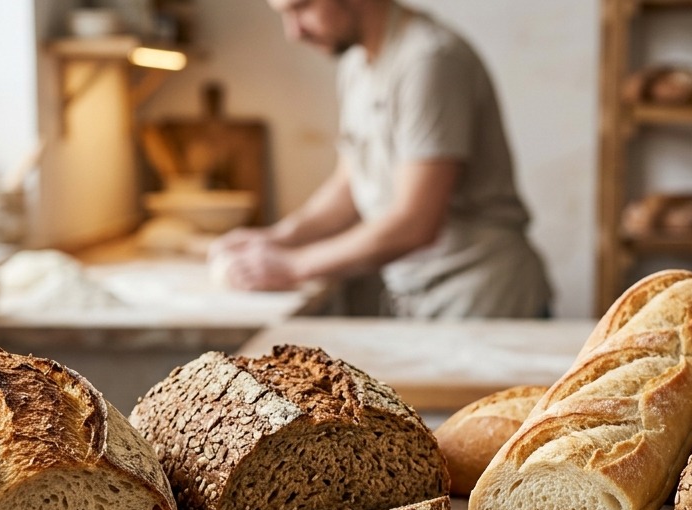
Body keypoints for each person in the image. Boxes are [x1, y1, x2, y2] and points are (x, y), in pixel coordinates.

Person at [211, 0, 553, 319]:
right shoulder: (356, 64)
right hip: (419, 292)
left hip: (482, 295)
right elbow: (349, 186)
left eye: (302, 7)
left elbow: (416, 223)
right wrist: (281, 237)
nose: (293, 32)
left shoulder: (429, 61)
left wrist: (294, 265)